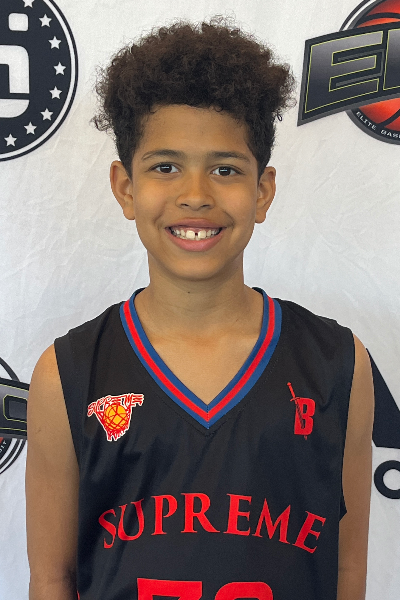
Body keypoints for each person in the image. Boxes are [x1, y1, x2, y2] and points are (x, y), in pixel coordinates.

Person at [26, 15, 374, 600]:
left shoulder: (337, 362)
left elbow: (346, 570)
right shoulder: (69, 371)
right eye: (165, 167)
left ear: (262, 191)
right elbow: (52, 577)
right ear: (126, 188)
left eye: (225, 169)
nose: (195, 195)